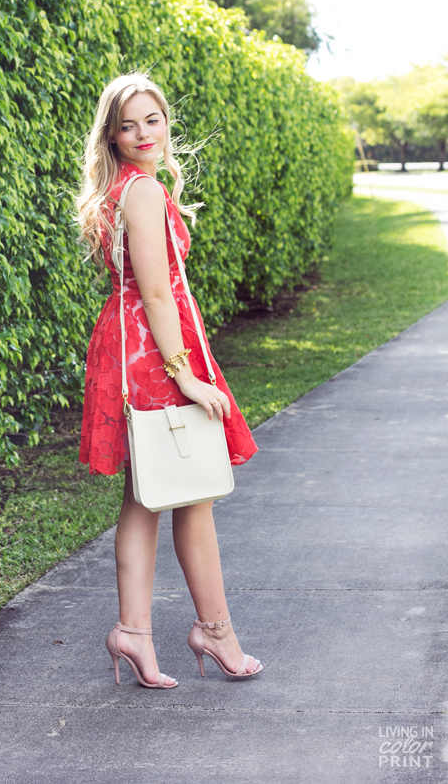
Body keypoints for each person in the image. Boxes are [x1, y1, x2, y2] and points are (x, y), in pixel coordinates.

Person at [76, 72, 261, 689]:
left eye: (151, 120)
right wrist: (186, 377)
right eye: (127, 126)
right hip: (154, 352)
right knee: (193, 493)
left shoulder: (122, 188)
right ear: (112, 135)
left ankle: (134, 632)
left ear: (165, 121)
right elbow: (156, 292)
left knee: (146, 491)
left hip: (129, 341)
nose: (142, 134)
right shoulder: (145, 192)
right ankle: (215, 630)